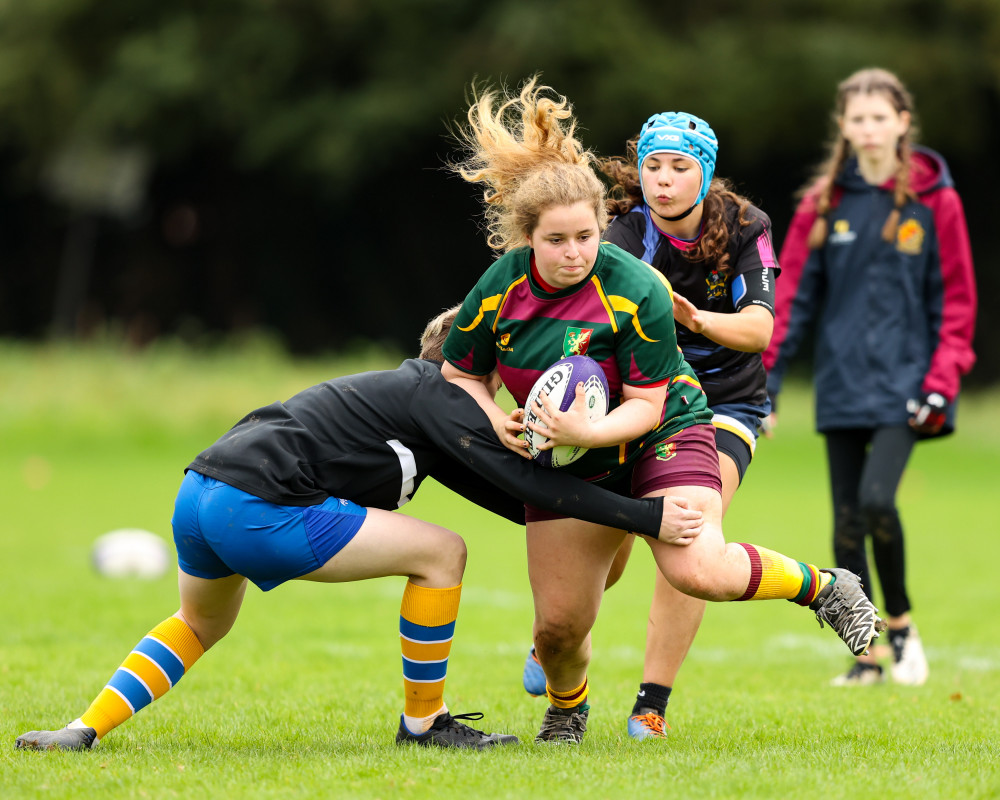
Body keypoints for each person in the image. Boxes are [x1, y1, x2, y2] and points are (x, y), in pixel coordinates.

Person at [14, 307, 708, 753]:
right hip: (256, 502)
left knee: (198, 625)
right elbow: (530, 486)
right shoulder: (442, 395)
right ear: (469, 369)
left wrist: (610, 526)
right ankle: (424, 726)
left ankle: (82, 730)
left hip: (201, 491)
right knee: (442, 552)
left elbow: (522, 503)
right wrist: (648, 516)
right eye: (498, 377)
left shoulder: (423, 410)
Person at [440, 76, 885, 745]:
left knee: (694, 562)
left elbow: (659, 398)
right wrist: (495, 417)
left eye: (585, 239)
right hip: (584, 428)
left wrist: (691, 324)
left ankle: (811, 595)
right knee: (559, 626)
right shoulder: (519, 280)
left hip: (682, 414)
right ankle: (569, 703)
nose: (576, 255)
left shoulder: (675, 262)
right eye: (557, 241)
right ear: (528, 238)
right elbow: (459, 373)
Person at [523, 110, 781, 740]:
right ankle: (563, 633)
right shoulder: (622, 230)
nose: (662, 180)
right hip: (632, 396)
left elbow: (760, 329)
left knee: (692, 541)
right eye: (652, 166)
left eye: (680, 167)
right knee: (607, 554)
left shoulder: (747, 226)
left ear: (707, 173)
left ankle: (651, 703)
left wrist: (694, 321)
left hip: (721, 404)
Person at [764, 68, 977, 687]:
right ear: (845, 128)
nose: (869, 129)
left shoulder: (938, 201)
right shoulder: (822, 204)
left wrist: (943, 378)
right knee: (845, 523)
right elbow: (793, 297)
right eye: (857, 118)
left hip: (910, 383)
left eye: (880, 117)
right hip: (841, 383)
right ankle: (865, 657)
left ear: (902, 123)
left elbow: (956, 301)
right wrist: (768, 383)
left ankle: (903, 624)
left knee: (878, 501)